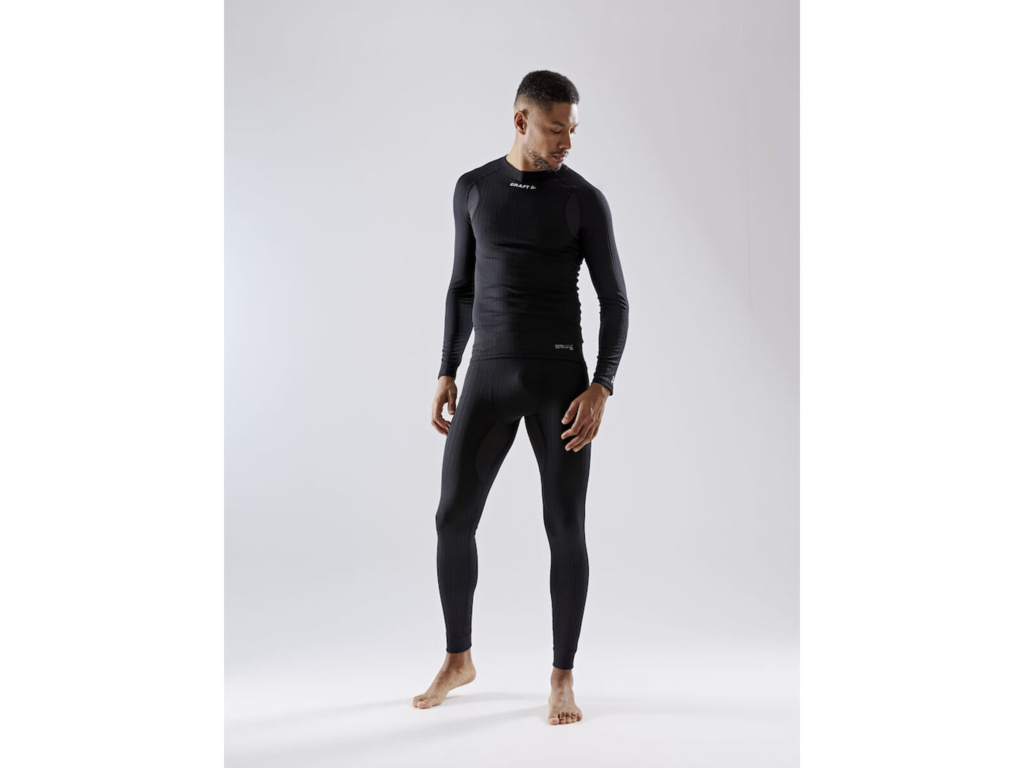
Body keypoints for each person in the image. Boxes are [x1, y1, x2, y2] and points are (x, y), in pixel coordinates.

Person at [412, 70, 629, 726]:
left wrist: (602, 385)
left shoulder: (583, 200)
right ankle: (458, 658)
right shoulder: (474, 189)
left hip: (561, 385)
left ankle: (562, 677)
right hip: (488, 376)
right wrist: (446, 369)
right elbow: (461, 287)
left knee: (565, 527)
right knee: (452, 519)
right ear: (521, 120)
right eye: (556, 128)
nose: (567, 141)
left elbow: (615, 299)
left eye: (572, 129)